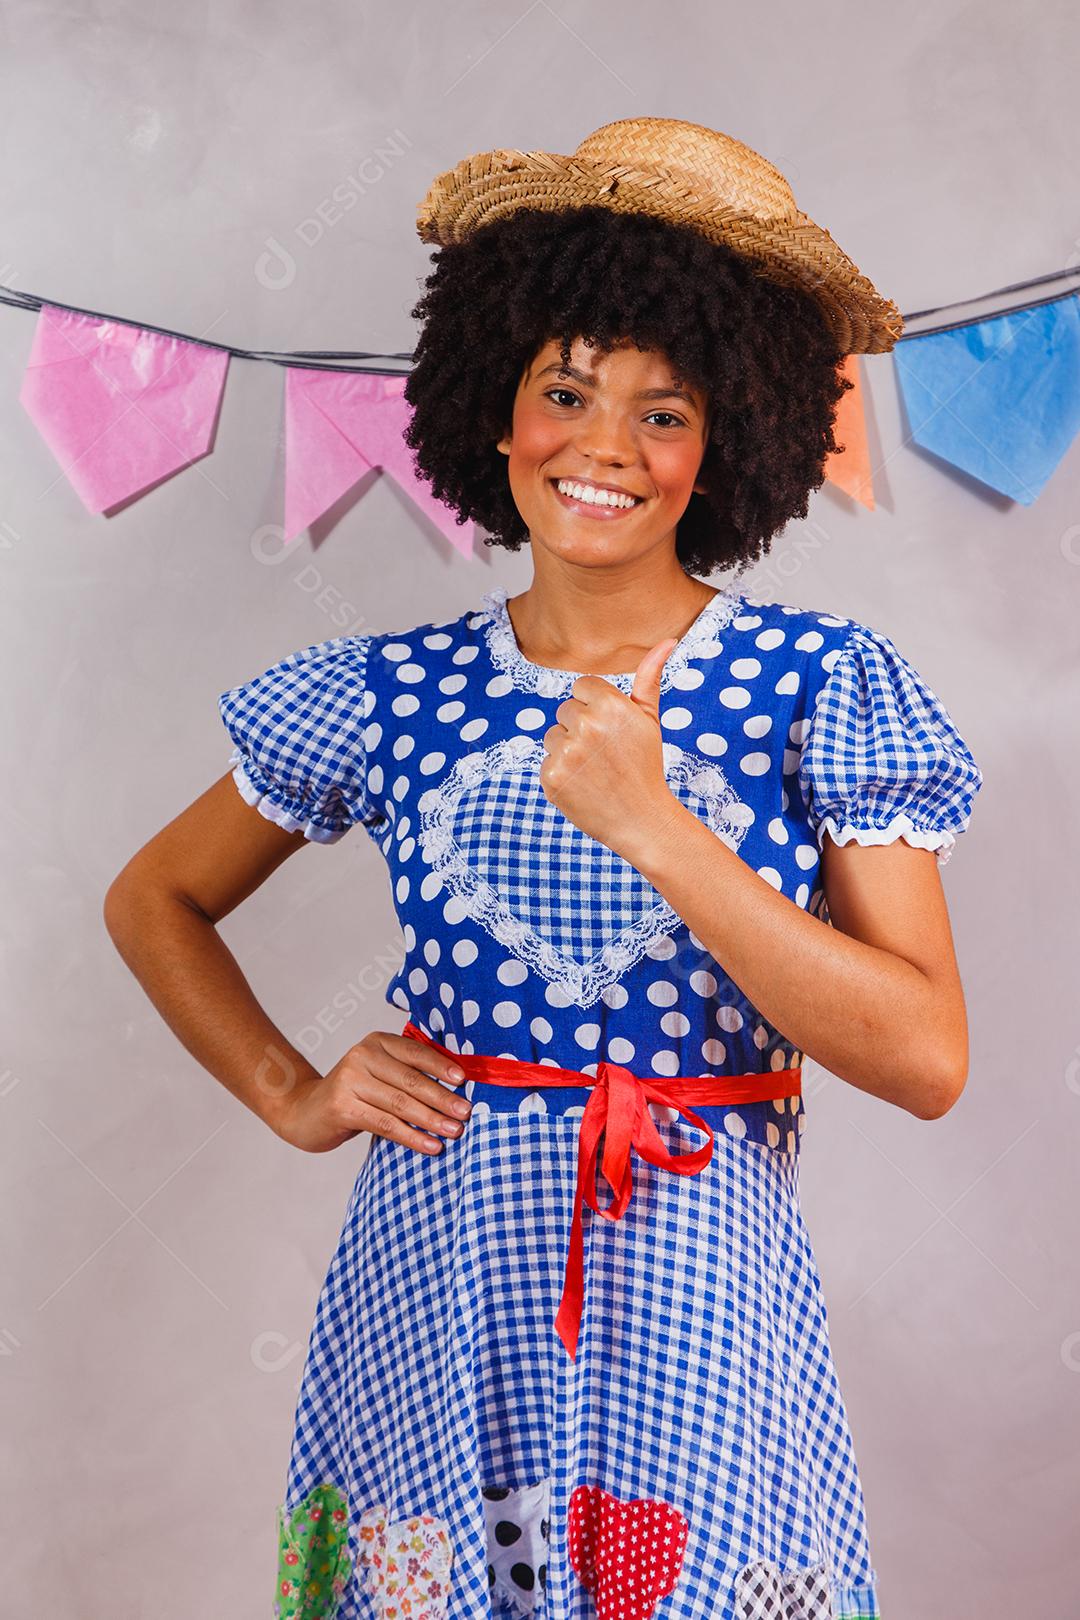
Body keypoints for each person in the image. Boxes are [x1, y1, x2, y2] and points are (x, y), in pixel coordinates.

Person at [104, 118, 984, 1620]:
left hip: (701, 1281)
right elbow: (154, 899)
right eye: (565, 391)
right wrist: (292, 1089)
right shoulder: (386, 691)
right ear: (491, 407)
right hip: (437, 1283)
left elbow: (921, 1056)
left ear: (731, 443)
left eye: (665, 411)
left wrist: (658, 827)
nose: (603, 450)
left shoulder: (819, 685)